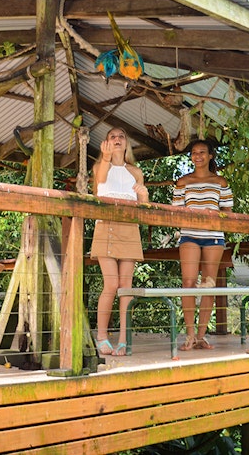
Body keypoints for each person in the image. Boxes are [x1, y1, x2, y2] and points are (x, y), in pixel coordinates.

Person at [90, 127, 148, 357]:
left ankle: (124, 339)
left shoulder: (136, 171)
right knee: (111, 285)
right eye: (112, 136)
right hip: (106, 226)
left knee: (126, 287)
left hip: (130, 228)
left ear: (126, 144)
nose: (116, 139)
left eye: (121, 136)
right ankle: (102, 336)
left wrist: (143, 196)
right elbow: (101, 181)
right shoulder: (99, 166)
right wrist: (105, 157)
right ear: (106, 143)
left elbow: (143, 207)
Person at [173, 139, 233, 351]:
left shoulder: (221, 182)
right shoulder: (182, 182)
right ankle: (189, 335)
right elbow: (176, 212)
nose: (197, 156)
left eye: (202, 152)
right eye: (194, 153)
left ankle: (201, 335)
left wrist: (214, 216)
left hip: (214, 236)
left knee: (209, 284)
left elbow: (228, 212)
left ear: (210, 156)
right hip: (189, 235)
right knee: (188, 284)